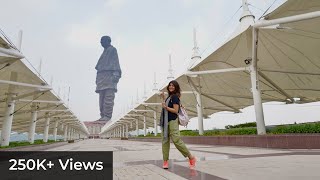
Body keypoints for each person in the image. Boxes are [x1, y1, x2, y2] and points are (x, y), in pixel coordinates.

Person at [159, 80, 196, 169]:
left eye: (173, 86)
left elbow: (175, 111)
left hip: (172, 121)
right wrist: (163, 98)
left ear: (176, 87)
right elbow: (165, 107)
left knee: (176, 140)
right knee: (165, 141)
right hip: (165, 121)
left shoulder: (175, 97)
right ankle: (165, 161)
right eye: (170, 85)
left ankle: (191, 157)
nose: (171, 87)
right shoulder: (169, 97)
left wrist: (166, 107)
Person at [95, 36, 121, 121]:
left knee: (108, 98)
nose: (101, 43)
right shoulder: (104, 51)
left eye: (102, 41)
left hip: (109, 77)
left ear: (107, 41)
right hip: (101, 78)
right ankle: (103, 116)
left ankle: (107, 116)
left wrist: (116, 74)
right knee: (101, 99)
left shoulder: (112, 50)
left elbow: (116, 63)